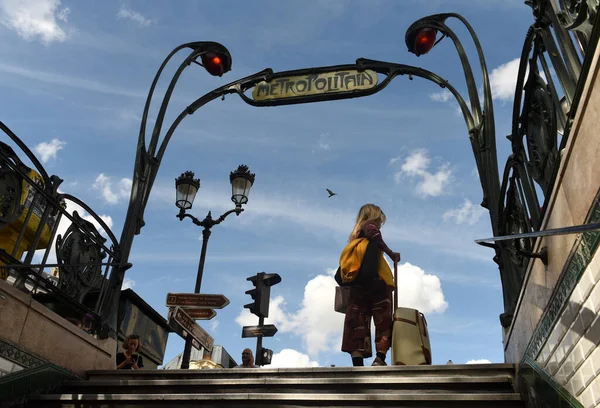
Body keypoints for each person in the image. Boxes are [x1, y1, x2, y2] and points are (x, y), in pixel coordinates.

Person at [340, 204, 400, 367]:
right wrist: (391, 253)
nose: (380, 222)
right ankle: (380, 358)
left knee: (356, 322)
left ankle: (357, 362)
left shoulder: (355, 235)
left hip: (357, 284)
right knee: (383, 320)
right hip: (376, 282)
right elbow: (378, 240)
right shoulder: (371, 227)